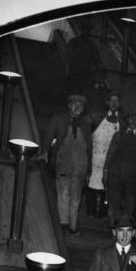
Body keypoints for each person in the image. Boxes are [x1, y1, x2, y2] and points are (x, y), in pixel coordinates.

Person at [40, 93, 92, 237]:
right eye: (75, 104)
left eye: (81, 105)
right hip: (63, 163)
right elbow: (48, 137)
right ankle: (63, 225)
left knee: (76, 198)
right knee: (63, 194)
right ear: (69, 105)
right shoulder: (58, 120)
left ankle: (73, 227)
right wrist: (45, 152)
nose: (78, 107)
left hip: (80, 166)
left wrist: (89, 170)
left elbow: (90, 148)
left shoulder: (86, 126)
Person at [87, 91, 122, 218]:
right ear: (107, 103)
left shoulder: (122, 122)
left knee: (106, 185)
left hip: (111, 159)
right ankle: (90, 211)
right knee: (91, 183)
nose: (114, 103)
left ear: (119, 104)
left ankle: (102, 212)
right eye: (111, 101)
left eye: (116, 101)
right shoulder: (97, 118)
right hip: (95, 155)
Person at [66, 21, 101, 93]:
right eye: (84, 30)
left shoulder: (92, 46)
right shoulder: (74, 42)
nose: (86, 32)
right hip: (74, 71)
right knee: (72, 90)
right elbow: (68, 56)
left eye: (88, 30)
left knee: (83, 91)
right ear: (81, 30)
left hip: (86, 73)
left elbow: (97, 60)